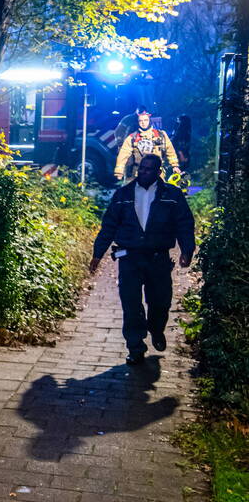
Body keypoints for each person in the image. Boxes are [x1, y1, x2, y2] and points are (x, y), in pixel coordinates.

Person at [90, 154, 194, 365]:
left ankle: (156, 330)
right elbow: (109, 225)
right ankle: (135, 346)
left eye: (149, 169)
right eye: (141, 168)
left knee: (160, 301)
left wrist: (187, 250)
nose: (143, 172)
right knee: (131, 303)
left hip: (158, 258)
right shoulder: (123, 194)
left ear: (158, 172)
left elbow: (184, 223)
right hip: (130, 257)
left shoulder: (171, 195)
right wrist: (97, 254)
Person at [114, 111, 179, 182]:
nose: (143, 123)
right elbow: (123, 154)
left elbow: (170, 151)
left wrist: (175, 165)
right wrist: (119, 171)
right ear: (138, 122)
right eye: (140, 121)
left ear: (149, 121)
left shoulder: (161, 135)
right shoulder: (132, 137)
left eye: (145, 120)